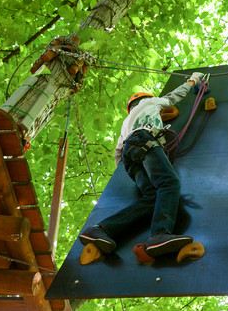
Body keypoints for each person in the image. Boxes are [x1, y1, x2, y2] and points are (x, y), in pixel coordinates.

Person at [79, 72, 204, 258]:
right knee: (169, 183)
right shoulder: (151, 103)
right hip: (144, 141)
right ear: (147, 99)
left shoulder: (126, 123)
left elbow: (118, 151)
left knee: (152, 198)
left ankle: (100, 229)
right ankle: (159, 234)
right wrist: (194, 79)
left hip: (129, 156)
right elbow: (175, 96)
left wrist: (127, 171)